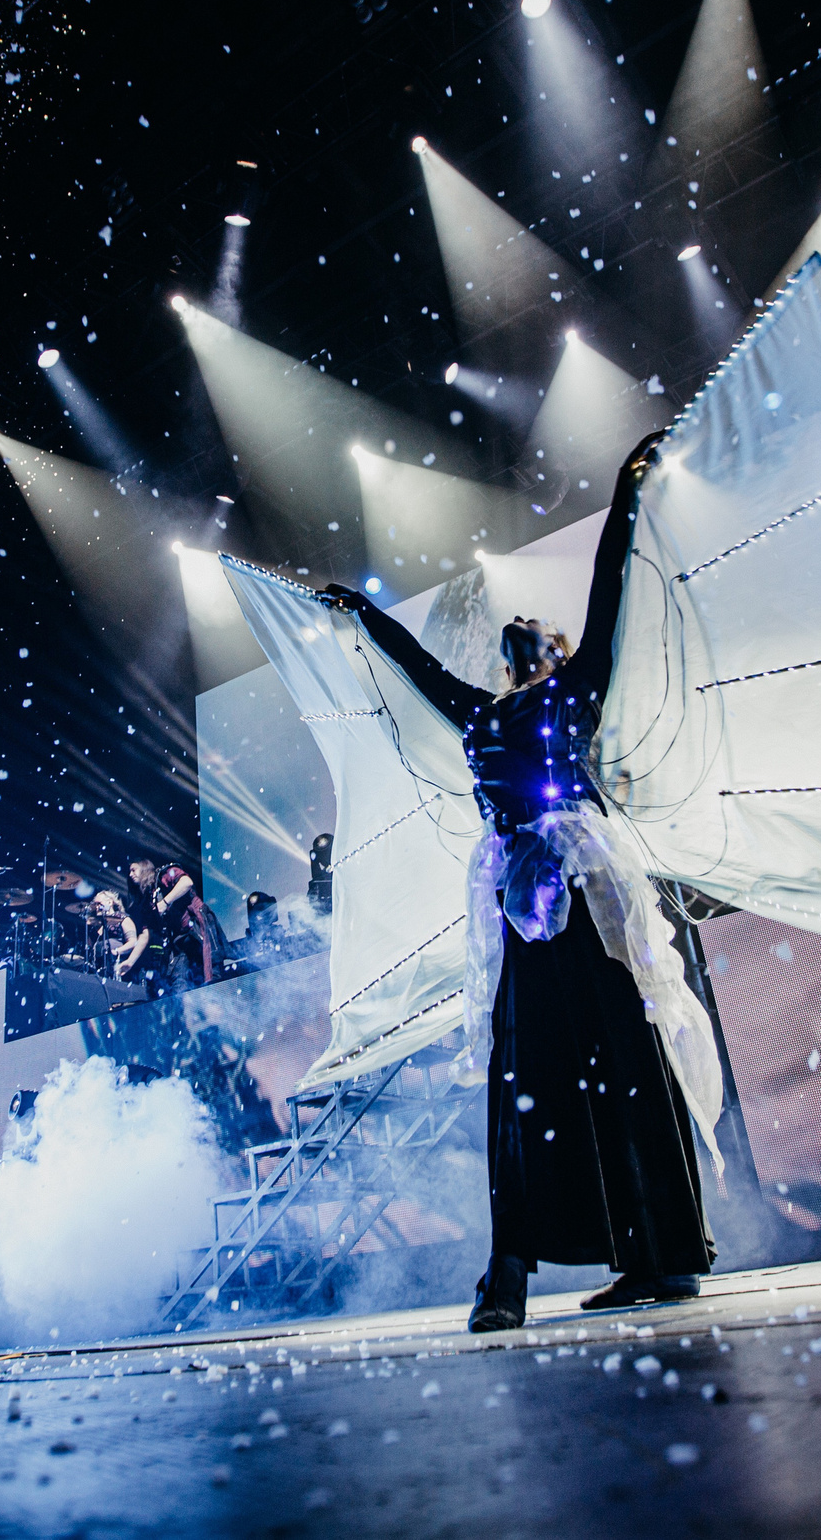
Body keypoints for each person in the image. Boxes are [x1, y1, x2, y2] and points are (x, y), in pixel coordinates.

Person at [318, 428, 710, 1333]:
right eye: (516, 631)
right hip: (516, 904)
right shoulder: (481, 710)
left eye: (540, 623)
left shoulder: (579, 684)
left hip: (584, 892)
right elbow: (416, 672)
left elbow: (612, 580)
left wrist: (628, 488)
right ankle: (510, 1272)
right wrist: (365, 617)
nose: (523, 624)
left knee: (624, 1062)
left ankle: (660, 1254)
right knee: (525, 1075)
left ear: (560, 645)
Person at [129, 855, 229, 992]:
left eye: (133, 870)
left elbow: (186, 882)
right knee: (178, 982)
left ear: (144, 867)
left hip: (199, 928)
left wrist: (164, 903)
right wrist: (129, 962)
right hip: (179, 939)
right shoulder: (147, 899)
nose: (131, 874)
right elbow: (144, 934)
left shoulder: (163, 875)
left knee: (212, 976)